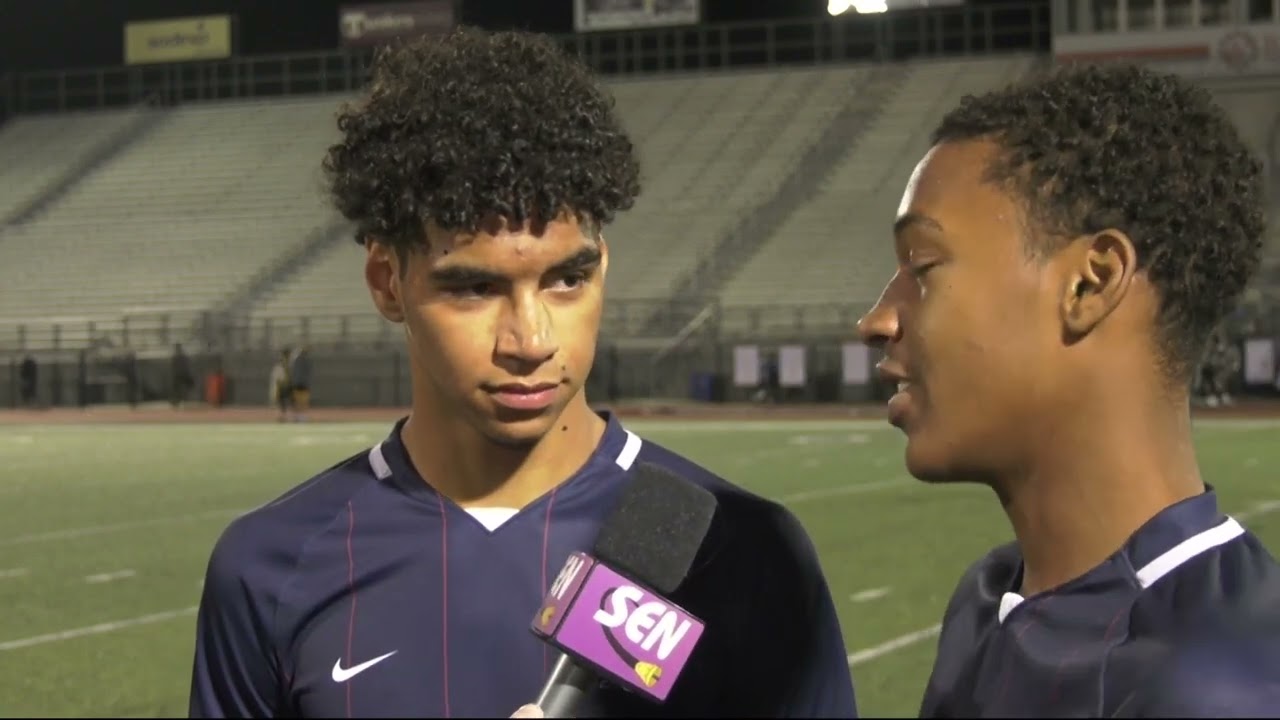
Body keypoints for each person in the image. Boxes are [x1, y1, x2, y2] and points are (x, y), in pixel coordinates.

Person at [189, 27, 857, 719]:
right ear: (388, 282)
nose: (532, 340)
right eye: (475, 288)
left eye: (567, 279)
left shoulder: (744, 550)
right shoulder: (272, 568)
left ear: (603, 266)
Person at [856, 62, 1280, 717]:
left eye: (923, 265)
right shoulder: (989, 598)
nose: (877, 320)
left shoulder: (1228, 685)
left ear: (1090, 283)